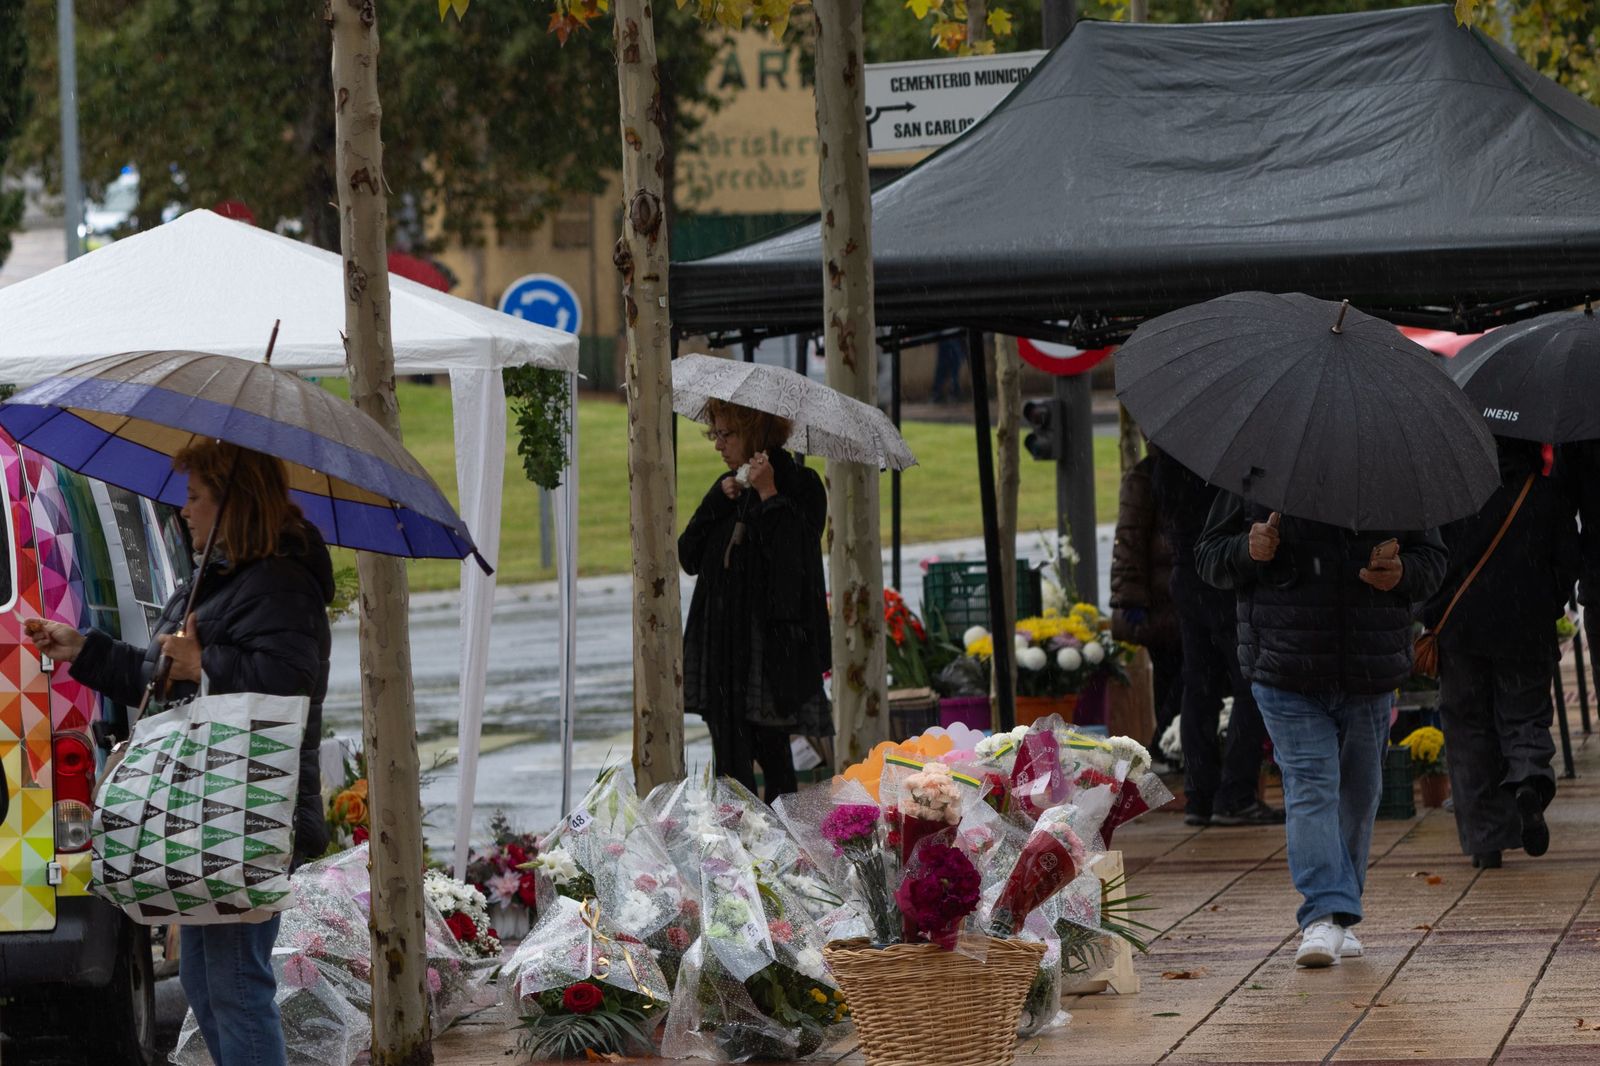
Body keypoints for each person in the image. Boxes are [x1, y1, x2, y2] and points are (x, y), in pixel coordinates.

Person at [27, 441, 332, 1066]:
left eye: (196, 496)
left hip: (246, 806)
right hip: (209, 808)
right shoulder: (218, 577)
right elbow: (155, 675)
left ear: (233, 503)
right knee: (205, 983)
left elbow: (288, 683)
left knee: (236, 985)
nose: (183, 510)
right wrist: (81, 649)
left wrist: (205, 663)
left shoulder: (280, 581)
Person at [1196, 494, 1445, 968]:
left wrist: (1404, 574)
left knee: (1360, 790)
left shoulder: (1389, 472)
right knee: (1311, 784)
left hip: (1368, 669)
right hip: (1285, 668)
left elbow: (1433, 561)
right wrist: (1247, 551)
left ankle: (1338, 917)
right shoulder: (1260, 467)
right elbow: (1209, 556)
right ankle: (1323, 913)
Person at [1424, 439, 1581, 867]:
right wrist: (1545, 603)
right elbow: (1568, 561)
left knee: (1469, 727)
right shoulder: (1545, 494)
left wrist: (1435, 614)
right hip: (1525, 628)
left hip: (1462, 629)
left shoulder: (1453, 495)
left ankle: (1486, 840)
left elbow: (1432, 561)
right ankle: (1529, 779)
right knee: (1524, 714)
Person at [680, 400, 832, 801]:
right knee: (729, 767)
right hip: (722, 653)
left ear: (755, 433)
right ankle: (737, 853)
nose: (718, 445)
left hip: (768, 656)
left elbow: (792, 567)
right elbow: (688, 555)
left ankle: (779, 849)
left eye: (726, 435)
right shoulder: (729, 489)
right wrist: (716, 500)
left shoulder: (801, 485)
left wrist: (769, 494)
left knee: (775, 759)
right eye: (716, 434)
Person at [1150, 451, 1279, 826]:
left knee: (1199, 685)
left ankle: (1200, 795)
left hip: (1187, 575)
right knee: (1250, 684)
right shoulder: (1225, 459)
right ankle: (1236, 793)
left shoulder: (1171, 455)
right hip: (1221, 578)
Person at [1110, 447, 1183, 754]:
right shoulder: (1146, 476)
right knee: (1176, 676)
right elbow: (1129, 540)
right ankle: (1164, 745)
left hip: (1177, 600)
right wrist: (1132, 601)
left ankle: (1168, 745)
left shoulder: (1174, 472)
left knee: (1180, 676)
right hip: (1161, 603)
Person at [931, 335, 966, 404]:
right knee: (949, 365)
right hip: (950, 336)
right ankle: (950, 393)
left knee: (947, 365)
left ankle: (940, 393)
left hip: (952, 337)